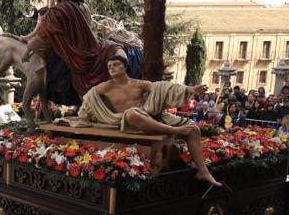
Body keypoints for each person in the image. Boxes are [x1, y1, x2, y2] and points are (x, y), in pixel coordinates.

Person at [77, 56, 220, 187]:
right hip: (130, 122)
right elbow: (89, 98)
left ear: (125, 67)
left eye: (116, 64)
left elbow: (163, 88)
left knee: (194, 129)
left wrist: (189, 89)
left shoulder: (139, 84)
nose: (112, 68)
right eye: (109, 66)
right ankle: (174, 131)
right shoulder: (105, 87)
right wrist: (83, 116)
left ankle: (203, 171)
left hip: (151, 118)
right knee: (131, 114)